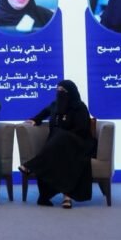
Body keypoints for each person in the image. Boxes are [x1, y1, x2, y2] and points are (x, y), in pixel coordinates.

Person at [18, 80, 97, 209]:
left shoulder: (79, 107)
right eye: (58, 90)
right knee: (60, 147)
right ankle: (66, 197)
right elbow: (44, 113)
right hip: (57, 145)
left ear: (71, 92)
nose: (59, 93)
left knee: (61, 136)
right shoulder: (55, 105)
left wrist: (64, 135)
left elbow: (82, 129)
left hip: (78, 143)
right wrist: (35, 120)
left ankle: (30, 166)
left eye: (62, 90)